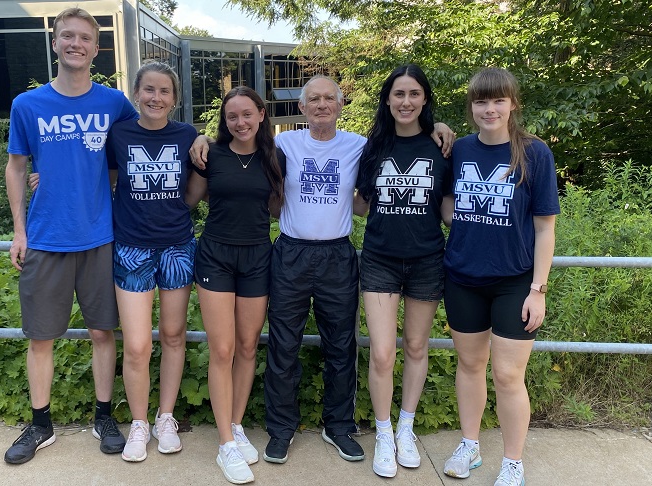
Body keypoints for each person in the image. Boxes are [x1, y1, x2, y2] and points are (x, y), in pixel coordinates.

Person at [190, 75, 455, 466]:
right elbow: (236, 145)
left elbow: (400, 143)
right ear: (301, 107)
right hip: (291, 254)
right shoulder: (281, 143)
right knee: (283, 346)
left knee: (341, 345)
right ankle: (280, 430)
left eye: (329, 98)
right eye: (312, 99)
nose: (321, 105)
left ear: (341, 104)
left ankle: (339, 427)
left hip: (337, 256)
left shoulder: (361, 146)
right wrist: (201, 139)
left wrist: (438, 127)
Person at [3, 7, 137, 464]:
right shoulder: (29, 106)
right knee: (41, 338)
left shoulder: (115, 103)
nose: (76, 43)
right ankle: (40, 425)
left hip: (100, 237)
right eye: (68, 36)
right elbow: (17, 166)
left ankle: (104, 415)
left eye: (85, 38)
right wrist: (19, 230)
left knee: (104, 332)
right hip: (44, 238)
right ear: (55, 43)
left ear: (96, 49)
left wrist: (198, 140)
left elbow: (142, 143)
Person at [441, 67, 559, 486]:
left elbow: (545, 227)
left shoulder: (534, 152)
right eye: (480, 101)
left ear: (512, 104)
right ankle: (469, 444)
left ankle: (512, 462)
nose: (489, 109)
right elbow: (449, 204)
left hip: (515, 281)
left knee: (508, 375)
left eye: (498, 100)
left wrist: (538, 289)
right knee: (469, 364)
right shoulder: (460, 150)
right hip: (462, 277)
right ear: (471, 106)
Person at [353, 64, 453, 478]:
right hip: (379, 258)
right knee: (381, 352)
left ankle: (406, 428)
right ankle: (383, 433)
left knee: (416, 347)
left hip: (428, 260)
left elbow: (447, 209)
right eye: (398, 94)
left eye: (414, 94)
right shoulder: (373, 146)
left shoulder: (444, 146)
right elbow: (360, 203)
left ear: (425, 99)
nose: (406, 101)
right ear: (388, 100)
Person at [186, 86, 284, 484]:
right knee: (222, 349)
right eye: (232, 117)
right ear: (223, 122)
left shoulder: (276, 158)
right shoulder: (211, 155)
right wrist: (197, 138)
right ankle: (226, 443)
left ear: (261, 114)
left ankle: (237, 424)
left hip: (258, 256)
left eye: (247, 114)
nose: (240, 122)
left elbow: (277, 208)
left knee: (247, 346)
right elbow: (187, 202)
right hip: (216, 257)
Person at [106, 62, 198, 462]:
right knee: (138, 344)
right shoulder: (119, 133)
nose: (156, 98)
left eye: (164, 91)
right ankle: (139, 424)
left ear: (174, 99)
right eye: (148, 90)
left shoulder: (188, 136)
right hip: (131, 247)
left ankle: (165, 417)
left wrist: (180, 211)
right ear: (136, 94)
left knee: (174, 335)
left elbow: (198, 184)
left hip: (177, 246)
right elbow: (103, 178)